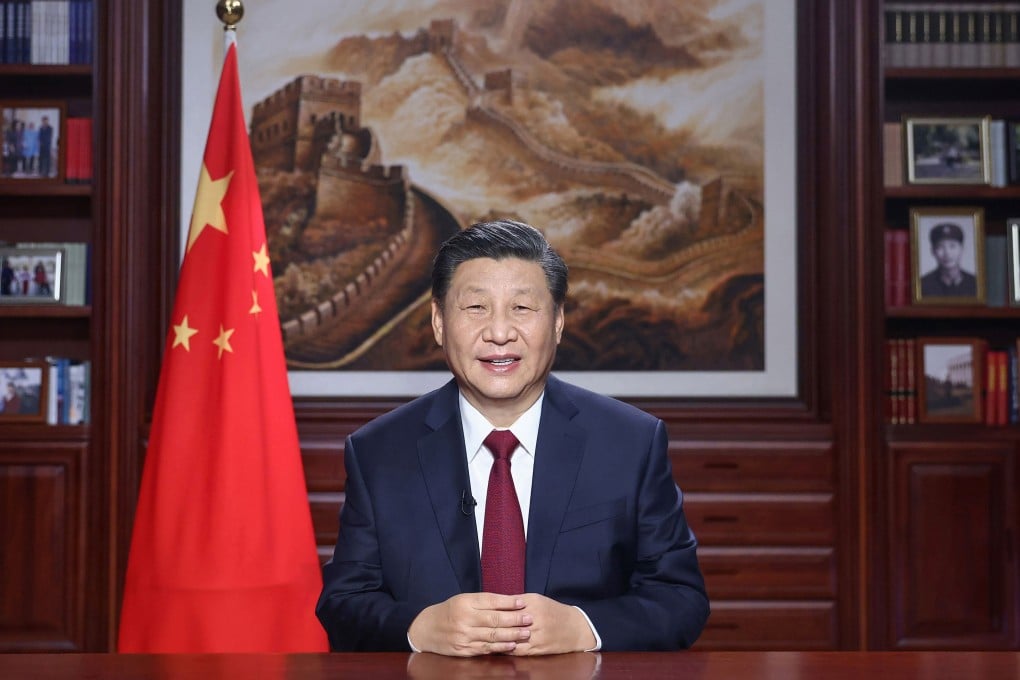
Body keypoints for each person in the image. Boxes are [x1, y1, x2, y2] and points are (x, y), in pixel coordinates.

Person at [316, 219, 709, 655]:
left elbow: (681, 598)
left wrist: (584, 629)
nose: (499, 333)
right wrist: (416, 628)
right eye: (476, 308)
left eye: (522, 308)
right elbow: (342, 603)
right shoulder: (379, 452)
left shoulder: (631, 442)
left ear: (558, 321)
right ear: (439, 322)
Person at [918, 222, 977, 298]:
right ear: (933, 251)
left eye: (952, 246)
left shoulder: (975, 283)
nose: (947, 253)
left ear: (962, 249)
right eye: (940, 247)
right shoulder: (923, 285)